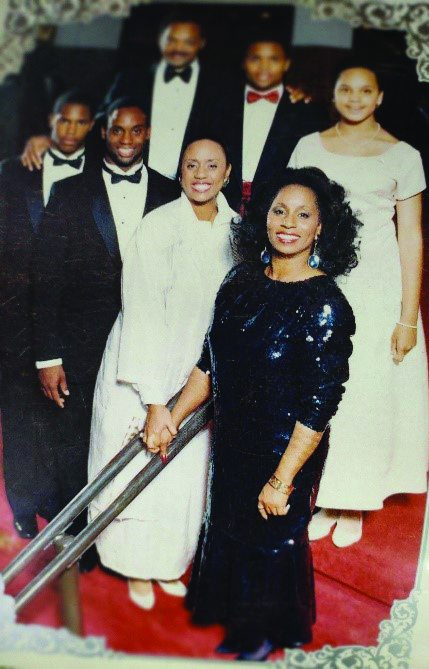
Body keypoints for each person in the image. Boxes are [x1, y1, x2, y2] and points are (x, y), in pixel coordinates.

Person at [148, 167, 359, 660]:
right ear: (263, 216)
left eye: (303, 215)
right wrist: (172, 417)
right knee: (230, 525)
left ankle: (263, 633)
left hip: (285, 448)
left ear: (321, 227)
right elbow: (209, 362)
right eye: (279, 211)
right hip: (233, 439)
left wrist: (283, 480)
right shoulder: (239, 281)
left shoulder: (325, 304)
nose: (288, 223)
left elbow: (319, 405)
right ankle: (237, 620)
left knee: (269, 537)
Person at [87, 137, 236, 609]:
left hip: (199, 372)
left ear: (228, 173)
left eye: (211, 165)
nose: (201, 174)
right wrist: (154, 400)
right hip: (146, 365)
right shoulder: (158, 225)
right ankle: (132, 567)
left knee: (182, 475)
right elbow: (142, 309)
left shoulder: (239, 231)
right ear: (180, 171)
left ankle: (167, 564)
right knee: (137, 462)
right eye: (191, 165)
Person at [31, 98, 178, 568]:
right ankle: (79, 536)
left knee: (132, 434)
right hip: (81, 343)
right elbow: (45, 278)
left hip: (149, 340)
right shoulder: (70, 192)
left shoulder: (172, 191)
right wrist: (48, 356)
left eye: (136, 131)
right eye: (117, 130)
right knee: (75, 437)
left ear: (148, 133)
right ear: (103, 133)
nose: (126, 140)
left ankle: (124, 536)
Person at [289, 64, 429, 547]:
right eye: (345, 89)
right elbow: (293, 212)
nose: (354, 97)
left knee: (364, 393)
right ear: (333, 94)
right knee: (315, 385)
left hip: (376, 285)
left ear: (379, 96)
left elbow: (411, 236)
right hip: (319, 277)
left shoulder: (403, 155)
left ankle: (353, 502)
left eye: (365, 90)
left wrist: (407, 317)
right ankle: (323, 495)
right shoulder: (308, 147)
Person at [0, 90, 95, 538]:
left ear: (92, 127)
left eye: (80, 122)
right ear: (51, 121)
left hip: (68, 318)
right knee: (19, 414)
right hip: (15, 317)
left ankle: (59, 504)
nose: (71, 130)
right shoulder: (11, 171)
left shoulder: (98, 175)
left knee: (63, 416)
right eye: (64, 121)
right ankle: (23, 503)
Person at [20, 13, 213, 179]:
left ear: (201, 43)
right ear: (159, 40)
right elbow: (100, 122)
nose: (178, 48)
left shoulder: (218, 88)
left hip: (194, 186)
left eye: (188, 42)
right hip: (138, 182)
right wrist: (55, 140)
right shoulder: (131, 79)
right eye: (171, 40)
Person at [213, 34, 329, 211]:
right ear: (244, 62)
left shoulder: (305, 110)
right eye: (255, 58)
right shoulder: (222, 103)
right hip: (221, 205)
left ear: (286, 64)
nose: (264, 66)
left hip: (277, 208)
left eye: (273, 59)